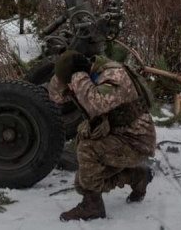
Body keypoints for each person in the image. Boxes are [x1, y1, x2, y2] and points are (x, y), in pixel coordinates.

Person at [47, 50, 156, 221]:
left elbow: (95, 105)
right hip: (118, 137)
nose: (70, 88)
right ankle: (137, 176)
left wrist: (78, 77)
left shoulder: (115, 76)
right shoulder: (91, 73)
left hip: (136, 142)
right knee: (83, 183)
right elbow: (56, 96)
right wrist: (67, 76)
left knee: (87, 149)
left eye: (72, 82)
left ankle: (92, 206)